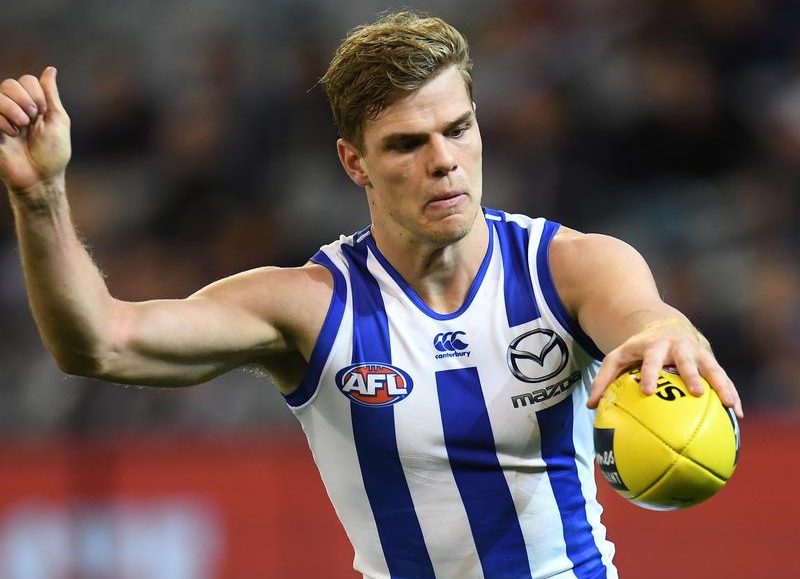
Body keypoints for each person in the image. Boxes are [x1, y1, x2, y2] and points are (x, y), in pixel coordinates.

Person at [0, 11, 741, 579]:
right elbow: (99, 342)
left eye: (458, 129)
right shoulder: (310, 307)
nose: (444, 161)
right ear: (354, 162)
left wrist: (667, 331)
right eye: (408, 144)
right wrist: (40, 199)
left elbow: (644, 318)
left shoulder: (570, 267)